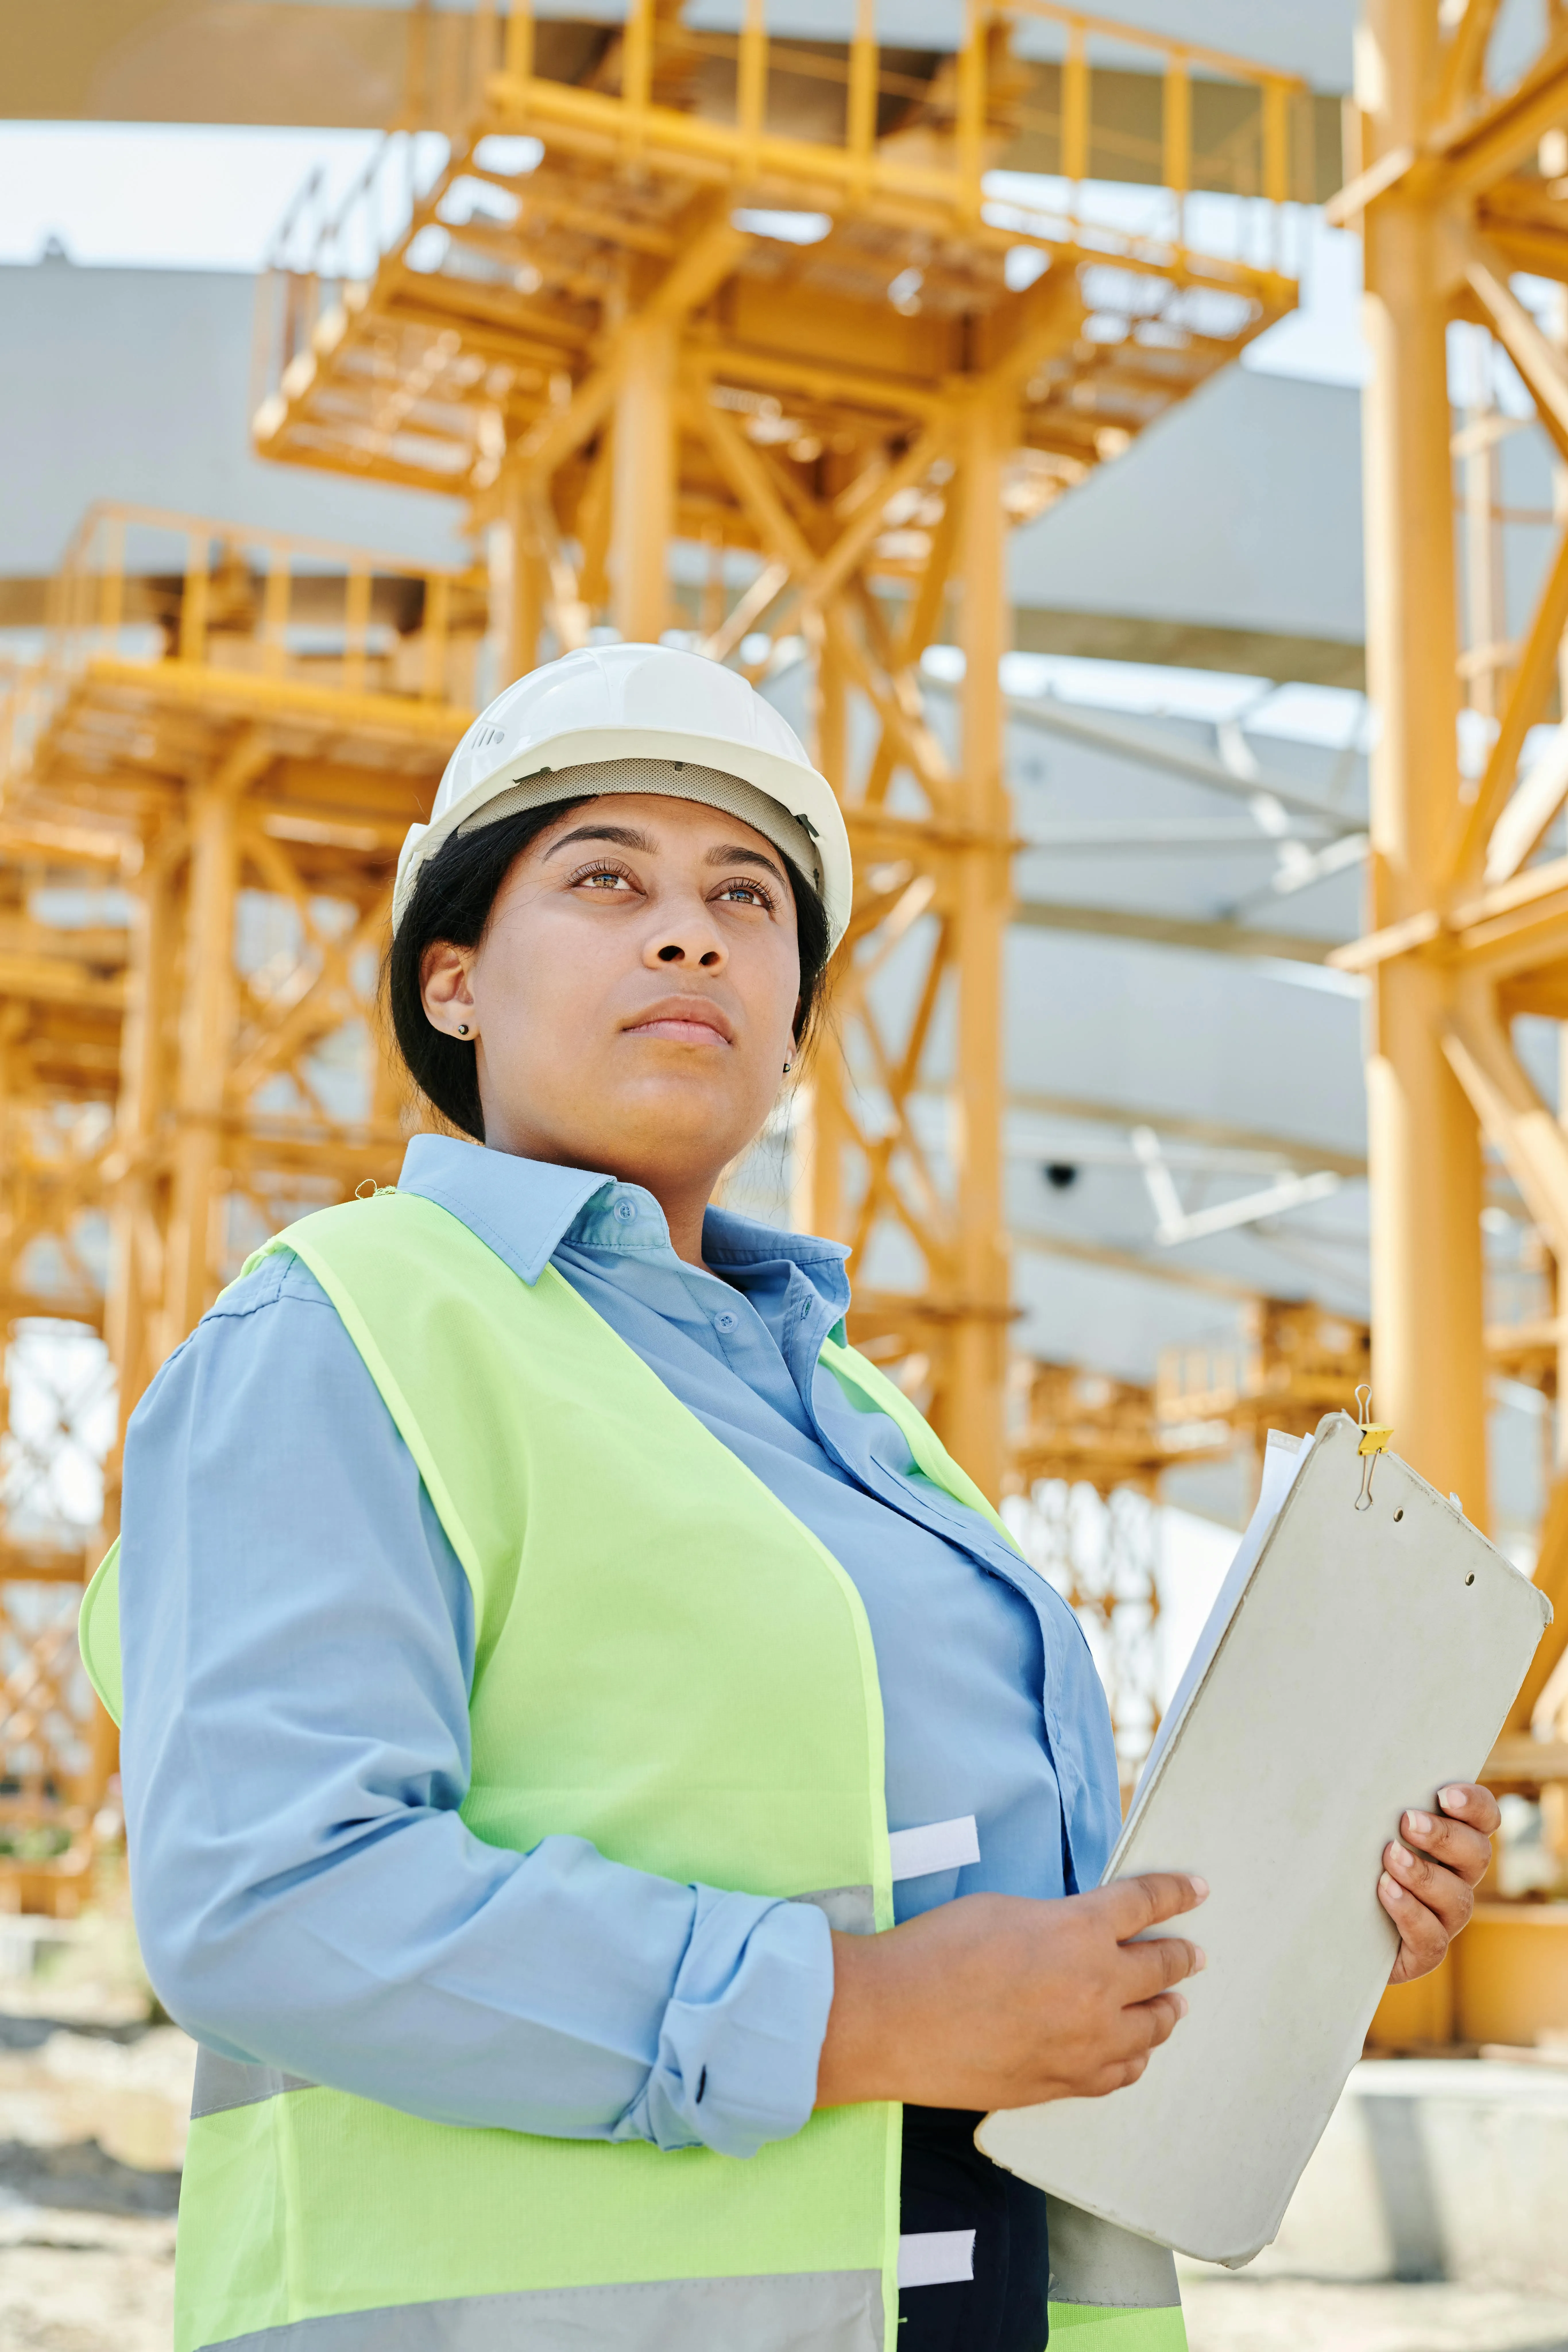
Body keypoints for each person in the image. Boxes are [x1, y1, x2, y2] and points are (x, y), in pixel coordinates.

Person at [83, 644, 1499, 2352]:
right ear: (452, 984)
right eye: (606, 879)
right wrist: (849, 2017)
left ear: (792, 1029)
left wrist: (1295, 1913)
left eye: (746, 897)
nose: (689, 932)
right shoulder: (344, 1331)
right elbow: (272, 1900)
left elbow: (997, 1944)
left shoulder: (857, 1420)